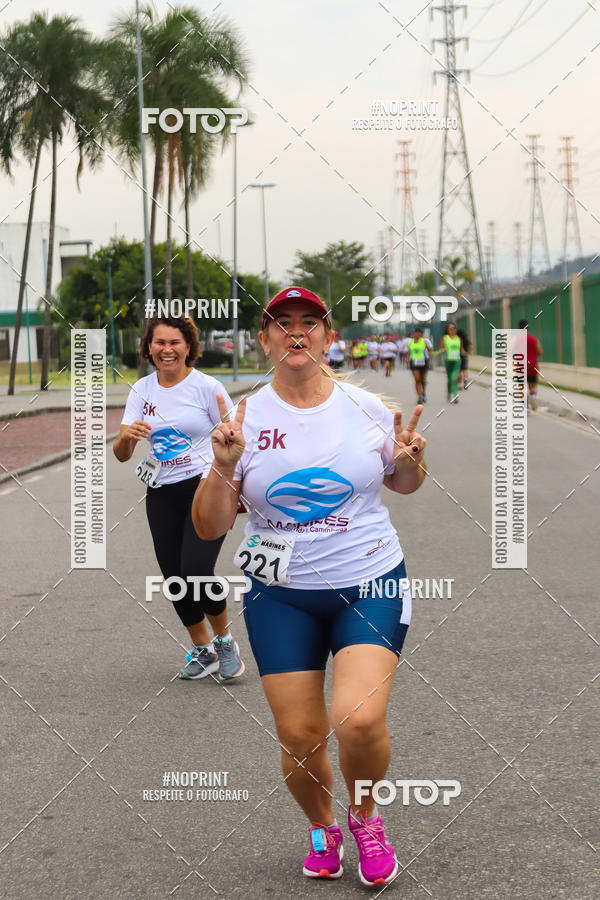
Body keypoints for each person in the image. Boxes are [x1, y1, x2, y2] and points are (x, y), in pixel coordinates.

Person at [192, 286, 427, 886]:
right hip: (281, 592)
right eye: (283, 323)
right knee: (300, 736)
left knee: (359, 722)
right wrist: (223, 464)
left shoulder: (366, 408)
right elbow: (209, 525)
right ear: (265, 339)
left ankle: (366, 817)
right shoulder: (240, 420)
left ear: (327, 335)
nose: (297, 333)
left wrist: (410, 459)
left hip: (369, 579)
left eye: (310, 323)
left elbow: (403, 483)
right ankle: (322, 825)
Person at [113, 315, 244, 681]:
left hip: (205, 487)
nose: (167, 349)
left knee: (197, 571)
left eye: (175, 342)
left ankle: (225, 641)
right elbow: (121, 454)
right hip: (161, 492)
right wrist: (128, 438)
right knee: (174, 577)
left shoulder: (206, 387)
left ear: (189, 346)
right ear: (148, 347)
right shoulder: (141, 390)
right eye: (159, 343)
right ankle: (202, 649)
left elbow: (234, 435)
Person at [520, 319, 543, 410]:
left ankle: (525, 405)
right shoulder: (534, 339)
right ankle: (533, 398)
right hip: (532, 366)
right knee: (532, 386)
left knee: (521, 387)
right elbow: (540, 351)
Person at [438, 322, 463, 403]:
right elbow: (440, 349)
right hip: (448, 361)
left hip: (457, 361)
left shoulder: (458, 339)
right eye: (450, 329)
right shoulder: (445, 338)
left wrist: (464, 352)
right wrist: (443, 349)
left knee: (454, 378)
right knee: (450, 379)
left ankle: (455, 395)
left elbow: (461, 350)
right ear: (447, 330)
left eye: (453, 329)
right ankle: (449, 393)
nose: (452, 330)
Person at [407, 327, 428, 403]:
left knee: (423, 380)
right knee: (417, 379)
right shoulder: (411, 342)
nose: (417, 334)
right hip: (414, 362)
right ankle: (419, 396)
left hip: (423, 361)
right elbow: (409, 351)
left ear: (421, 334)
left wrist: (430, 353)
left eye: (419, 333)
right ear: (414, 333)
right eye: (416, 332)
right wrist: (407, 359)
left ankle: (424, 392)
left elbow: (429, 350)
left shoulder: (424, 341)